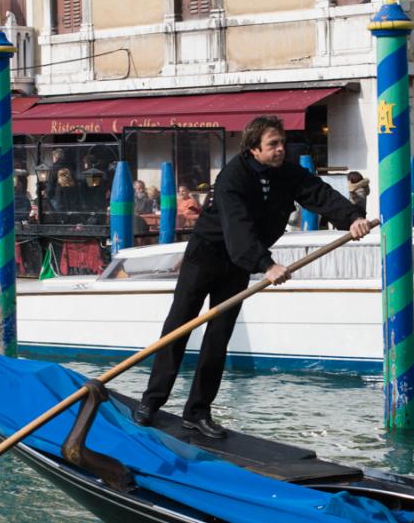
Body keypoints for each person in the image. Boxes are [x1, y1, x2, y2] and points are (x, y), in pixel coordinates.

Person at [133, 115, 371, 438]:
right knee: (178, 326)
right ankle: (152, 401)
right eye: (273, 144)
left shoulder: (286, 173)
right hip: (207, 256)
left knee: (219, 336)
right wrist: (266, 264)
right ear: (254, 149)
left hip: (237, 264)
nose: (280, 149)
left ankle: (198, 411)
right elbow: (238, 227)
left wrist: (352, 217)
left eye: (282, 143)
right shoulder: (233, 177)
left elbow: (319, 194)